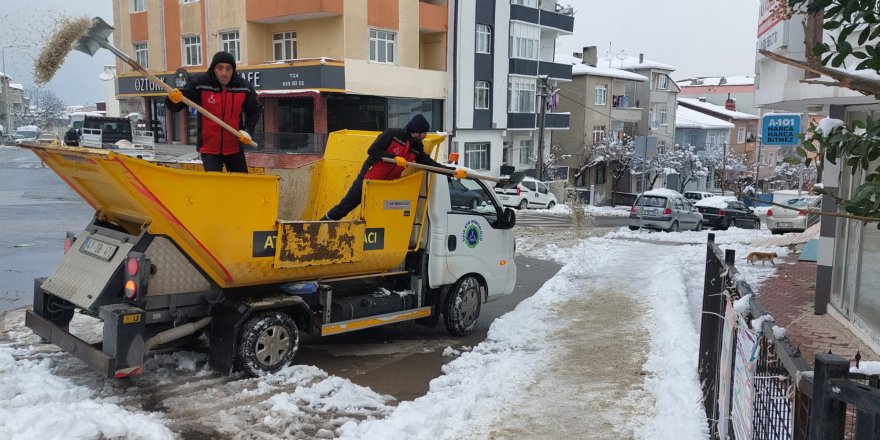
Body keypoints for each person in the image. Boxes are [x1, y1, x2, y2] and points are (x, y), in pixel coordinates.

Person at [322, 114, 467, 221]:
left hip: (388, 186)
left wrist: (452, 172)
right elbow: (372, 150)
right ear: (416, 132)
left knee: (380, 218)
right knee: (345, 207)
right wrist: (393, 158)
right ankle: (320, 226)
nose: (425, 136)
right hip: (368, 179)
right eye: (424, 133)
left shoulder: (417, 147)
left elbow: (429, 164)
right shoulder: (392, 134)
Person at [166, 51, 262, 173]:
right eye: (220, 68)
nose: (224, 73)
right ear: (213, 69)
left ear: (233, 70)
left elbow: (255, 110)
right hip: (209, 149)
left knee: (241, 184)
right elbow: (176, 107)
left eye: (228, 68)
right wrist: (172, 99)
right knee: (214, 186)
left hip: (234, 148)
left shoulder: (243, 87)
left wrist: (248, 131)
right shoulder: (199, 84)